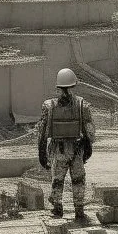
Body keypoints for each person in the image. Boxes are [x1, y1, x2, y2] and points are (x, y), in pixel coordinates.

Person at [38, 68, 95, 221]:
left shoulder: (49, 106)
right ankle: (79, 210)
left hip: (59, 149)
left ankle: (57, 208)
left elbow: (42, 133)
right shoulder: (82, 104)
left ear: (58, 86)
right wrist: (88, 148)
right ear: (73, 84)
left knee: (57, 179)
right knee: (78, 179)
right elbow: (89, 131)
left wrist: (41, 153)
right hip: (77, 150)